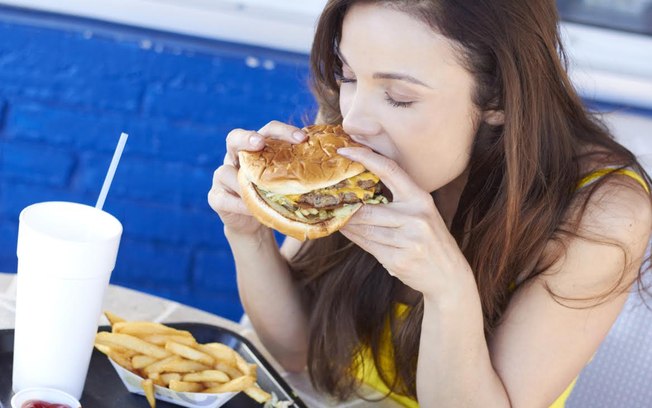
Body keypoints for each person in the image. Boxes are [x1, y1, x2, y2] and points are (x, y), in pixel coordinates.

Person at [208, 1, 652, 406]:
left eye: (399, 96)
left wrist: (447, 290)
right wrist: (248, 233)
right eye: (348, 75)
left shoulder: (603, 211)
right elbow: (296, 352)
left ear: (499, 96)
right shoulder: (357, 127)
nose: (354, 121)